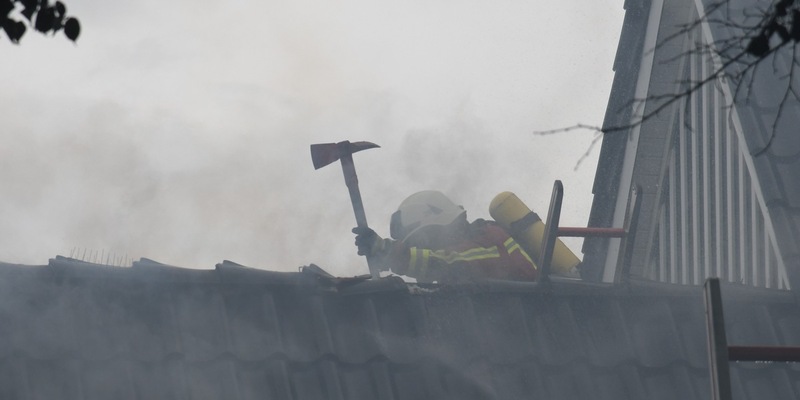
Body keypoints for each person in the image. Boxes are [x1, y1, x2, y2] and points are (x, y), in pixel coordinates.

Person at [353, 190, 538, 283]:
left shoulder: (491, 239)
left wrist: (387, 251)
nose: (424, 249)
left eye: (422, 241)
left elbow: (448, 262)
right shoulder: (477, 241)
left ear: (438, 225)